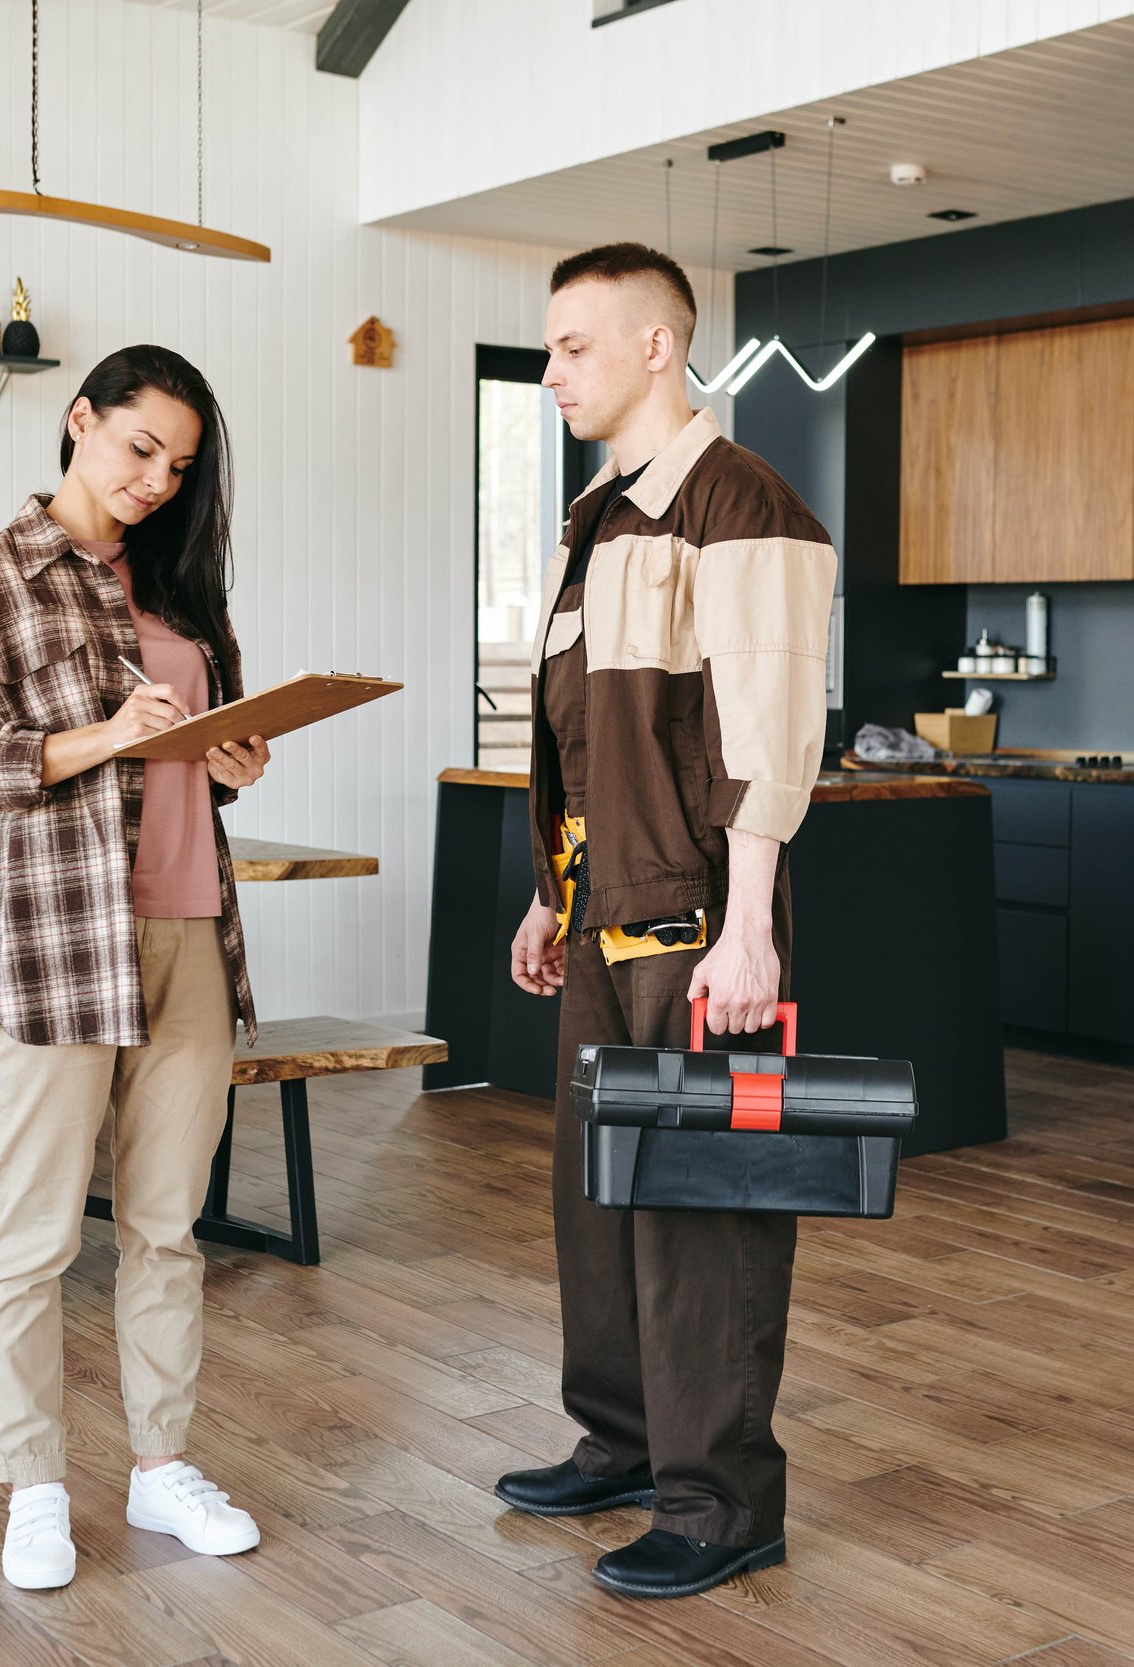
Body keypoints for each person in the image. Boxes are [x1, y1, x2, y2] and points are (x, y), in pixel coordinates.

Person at [496, 244, 837, 1599]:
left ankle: (725, 1496)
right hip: (600, 909)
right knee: (601, 1192)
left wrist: (749, 927)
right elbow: (591, 738)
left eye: (573, 344)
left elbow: (767, 734)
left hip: (702, 917)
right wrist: (548, 885)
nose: (552, 370)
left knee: (704, 1207)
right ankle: (627, 1441)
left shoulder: (742, 503)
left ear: (656, 345)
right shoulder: (601, 516)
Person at [0, 344, 271, 1591]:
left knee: (169, 1230)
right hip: (57, 942)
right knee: (33, 1237)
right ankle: (35, 1486)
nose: (156, 481)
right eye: (139, 449)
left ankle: (162, 1465)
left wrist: (230, 758)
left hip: (187, 931)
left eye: (178, 467)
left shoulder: (180, 585)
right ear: (78, 420)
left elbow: (197, 744)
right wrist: (101, 736)